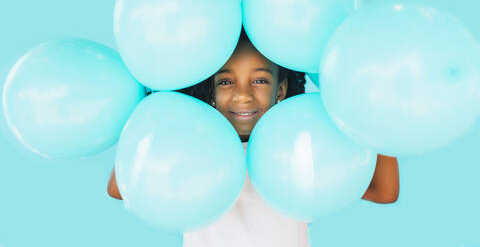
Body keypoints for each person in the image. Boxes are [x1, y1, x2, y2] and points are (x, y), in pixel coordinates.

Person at [107, 27, 400, 246]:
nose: (243, 95)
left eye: (260, 80)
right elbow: (120, 188)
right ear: (209, 90)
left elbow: (383, 191)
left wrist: (377, 110)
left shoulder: (301, 145)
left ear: (282, 90)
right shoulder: (188, 145)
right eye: (225, 81)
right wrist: (155, 103)